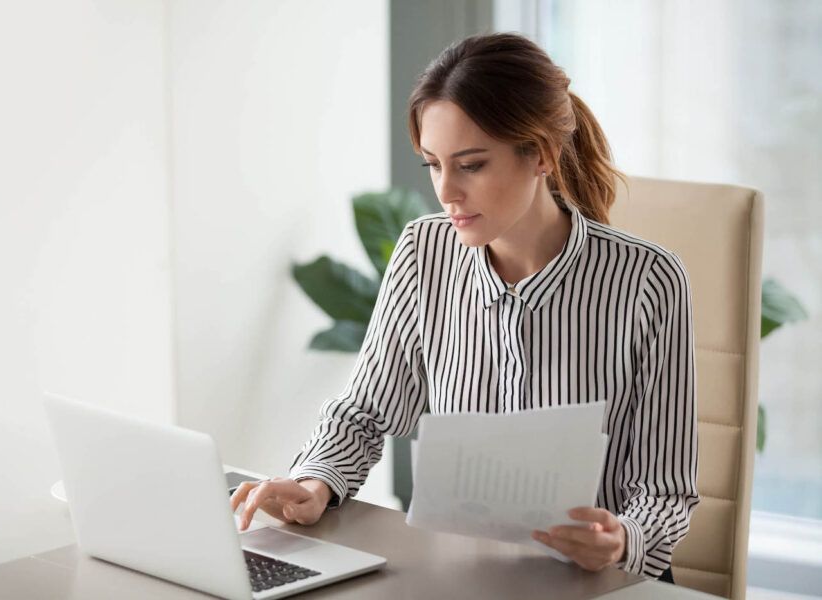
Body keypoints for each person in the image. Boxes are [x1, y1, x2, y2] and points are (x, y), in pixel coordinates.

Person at [231, 32, 698, 583]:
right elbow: (365, 412)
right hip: (456, 577)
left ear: (542, 154)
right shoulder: (423, 252)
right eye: (433, 164)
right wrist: (315, 481)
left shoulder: (649, 280)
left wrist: (621, 541)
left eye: (471, 165)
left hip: (598, 584)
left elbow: (665, 491)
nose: (446, 191)